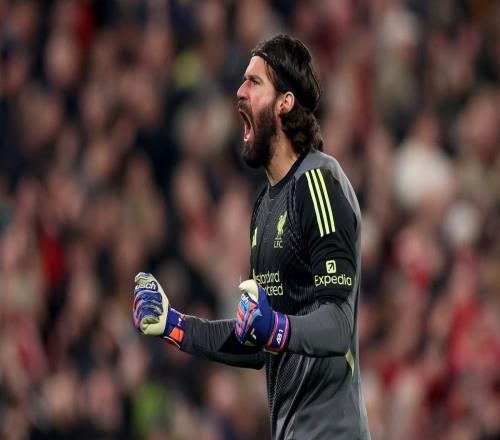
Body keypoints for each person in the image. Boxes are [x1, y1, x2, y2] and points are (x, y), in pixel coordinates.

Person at [133, 34, 370, 440]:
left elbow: (337, 324)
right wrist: (175, 326)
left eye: (254, 82)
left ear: (285, 103)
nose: (239, 91)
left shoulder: (319, 182)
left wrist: (274, 327)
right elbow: (260, 341)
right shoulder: (264, 207)